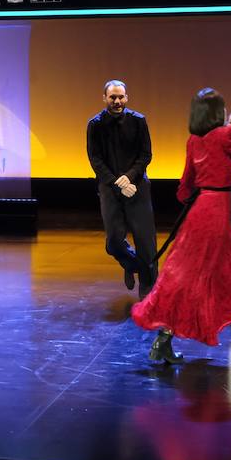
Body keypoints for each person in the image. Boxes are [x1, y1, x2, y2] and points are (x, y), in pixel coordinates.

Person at [132, 89, 231, 363]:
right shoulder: (225, 135)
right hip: (216, 210)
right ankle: (166, 336)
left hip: (200, 210)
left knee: (188, 273)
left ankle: (166, 337)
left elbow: (185, 187)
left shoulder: (194, 140)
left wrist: (200, 193)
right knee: (209, 275)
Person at [86, 80, 157, 297]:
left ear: (127, 98)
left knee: (145, 240)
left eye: (121, 97)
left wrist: (129, 178)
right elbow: (95, 159)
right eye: (112, 97)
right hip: (109, 187)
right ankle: (131, 264)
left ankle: (148, 286)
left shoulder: (138, 121)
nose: (117, 101)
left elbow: (146, 155)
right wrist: (117, 183)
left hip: (137, 186)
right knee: (114, 241)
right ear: (105, 98)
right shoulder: (95, 124)